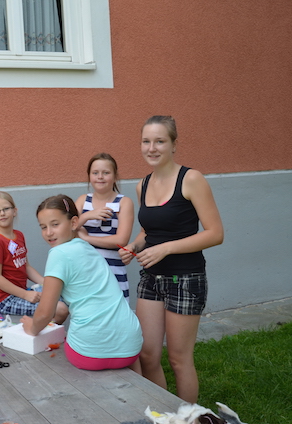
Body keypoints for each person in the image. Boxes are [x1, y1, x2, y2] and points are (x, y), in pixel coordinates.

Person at [119, 116, 224, 403]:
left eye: (160, 141)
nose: (151, 148)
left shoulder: (191, 179)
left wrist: (165, 248)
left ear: (174, 144)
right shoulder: (142, 185)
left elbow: (215, 233)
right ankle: (165, 413)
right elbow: (148, 231)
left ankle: (189, 417)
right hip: (151, 279)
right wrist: (133, 245)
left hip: (185, 279)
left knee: (179, 359)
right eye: (146, 141)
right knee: (147, 354)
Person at [21, 195, 143, 372]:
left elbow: (45, 313)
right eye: (43, 227)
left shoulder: (58, 254)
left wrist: (31, 328)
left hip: (89, 353)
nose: (48, 232)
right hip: (130, 347)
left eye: (55, 224)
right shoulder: (87, 247)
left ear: (73, 223)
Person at [0, 191, 69, 324]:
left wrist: (46, 283)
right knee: (60, 308)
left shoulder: (19, 235)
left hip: (21, 292)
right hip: (5, 300)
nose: (2, 213)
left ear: (14, 211)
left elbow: (25, 266)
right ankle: (38, 331)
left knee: (61, 295)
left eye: (6, 208)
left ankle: (45, 330)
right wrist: (25, 295)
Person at [75, 152, 134, 301]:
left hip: (113, 271)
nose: (100, 177)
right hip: (85, 270)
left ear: (115, 176)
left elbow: (121, 240)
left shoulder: (124, 202)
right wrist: (87, 216)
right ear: (89, 176)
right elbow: (68, 230)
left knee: (116, 310)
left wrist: (86, 238)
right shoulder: (82, 200)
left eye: (106, 173)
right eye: (95, 173)